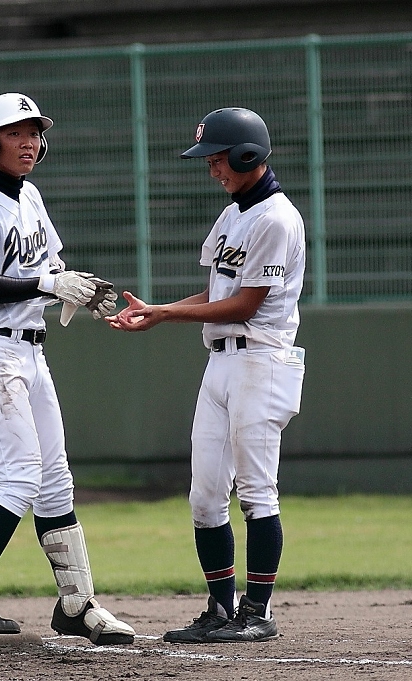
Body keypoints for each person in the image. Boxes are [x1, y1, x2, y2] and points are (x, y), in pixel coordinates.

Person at [0, 92, 135, 646]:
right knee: (22, 477)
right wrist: (49, 284)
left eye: (34, 133)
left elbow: (43, 268)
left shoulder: (30, 196)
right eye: (16, 133)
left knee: (55, 483)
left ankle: (77, 604)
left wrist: (73, 288)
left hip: (30, 351)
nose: (29, 142)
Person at [107, 108, 306, 643]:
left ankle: (257, 613)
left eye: (218, 159)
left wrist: (167, 315)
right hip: (221, 363)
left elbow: (244, 305)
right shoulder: (232, 215)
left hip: (261, 361)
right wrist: (159, 308)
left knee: (258, 495)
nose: (212, 169)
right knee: (204, 496)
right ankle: (221, 609)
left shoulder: (276, 218)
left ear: (247, 155)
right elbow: (218, 296)